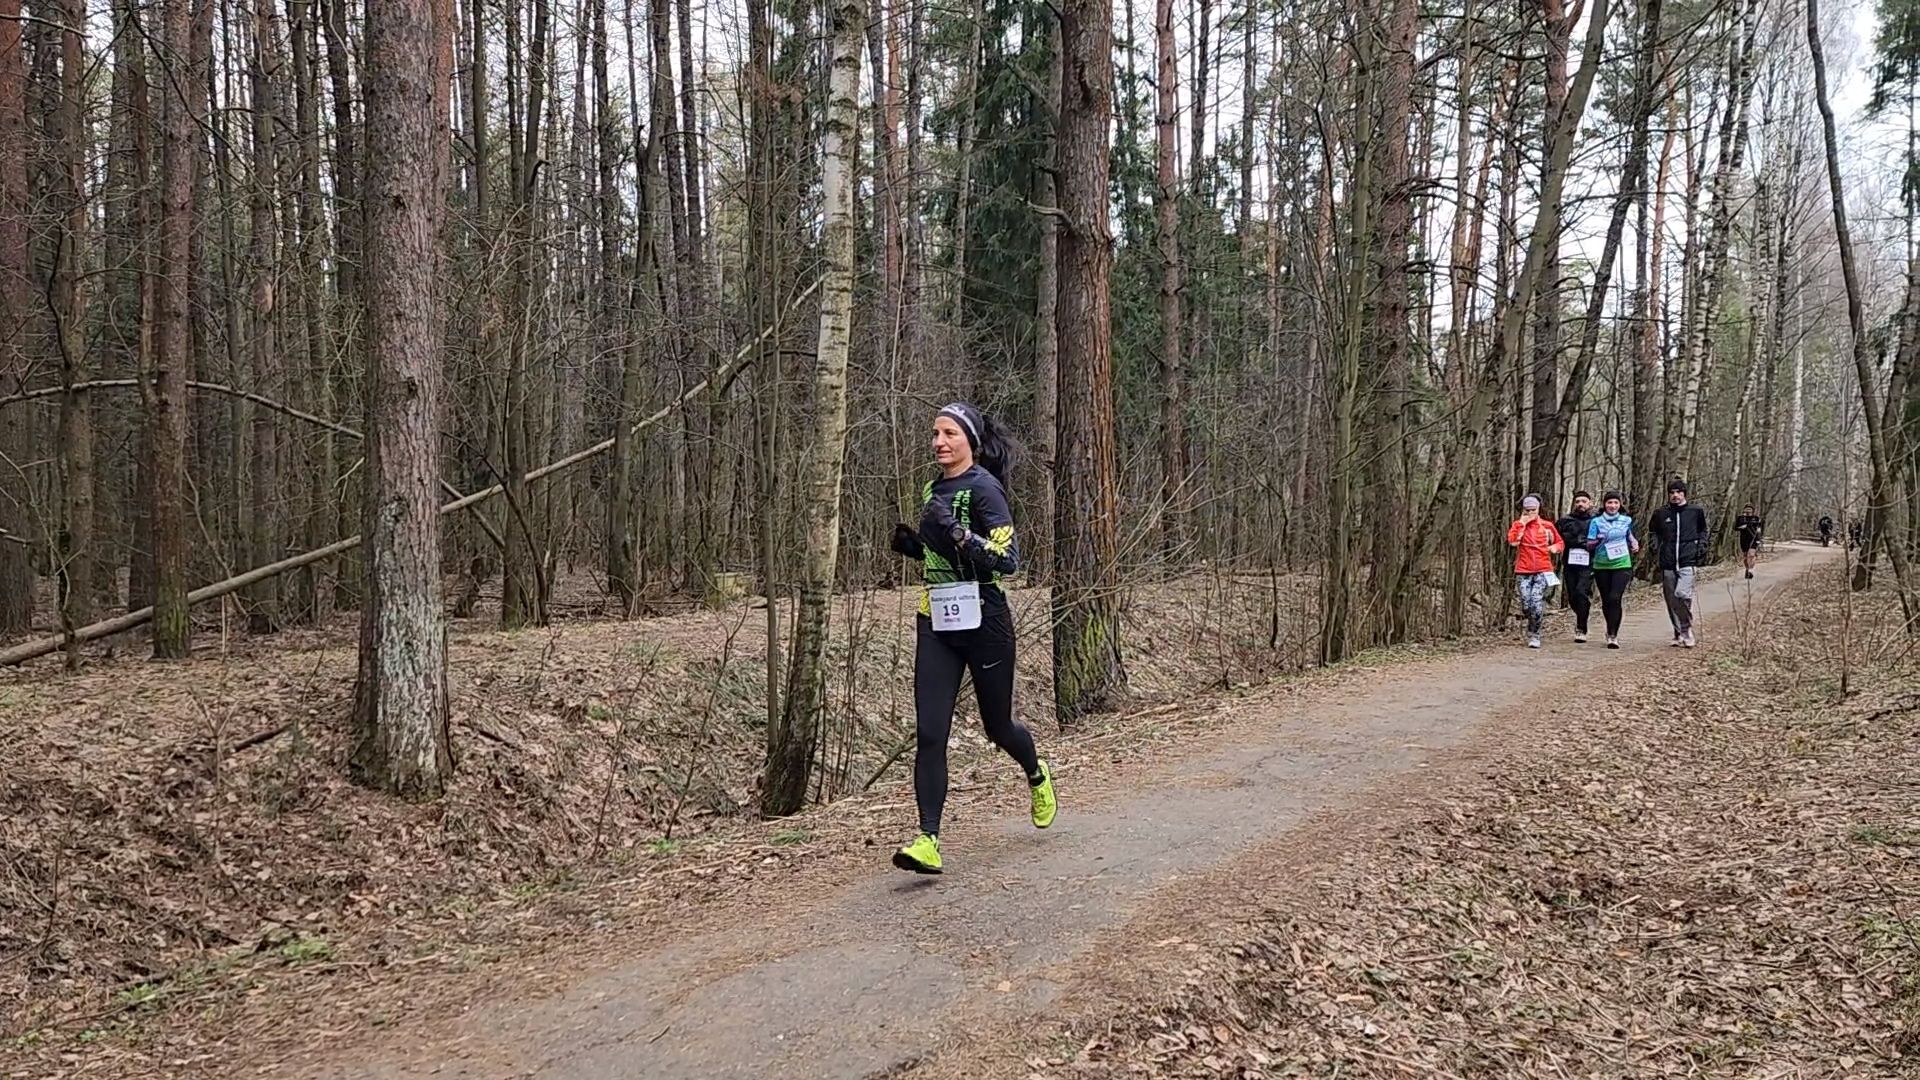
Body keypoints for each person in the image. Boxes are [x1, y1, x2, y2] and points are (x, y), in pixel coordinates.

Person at [887, 402, 1056, 874]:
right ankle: (928, 840)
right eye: (935, 433)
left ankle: (1036, 773)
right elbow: (942, 556)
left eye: (949, 434)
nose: (939, 442)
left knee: (997, 727)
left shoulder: (986, 489)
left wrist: (960, 534)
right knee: (929, 733)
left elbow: (1008, 560)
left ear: (970, 442)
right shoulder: (932, 488)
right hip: (937, 618)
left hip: (985, 620)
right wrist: (917, 548)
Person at [1649, 479, 1709, 648]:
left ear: (1684, 494)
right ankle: (1678, 633)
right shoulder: (1661, 513)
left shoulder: (1695, 511)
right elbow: (1653, 531)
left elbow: (1703, 530)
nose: (1675, 495)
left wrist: (1702, 546)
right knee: (1671, 599)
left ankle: (1686, 629)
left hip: (1687, 560)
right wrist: (1655, 546)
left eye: (1678, 492)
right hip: (1667, 561)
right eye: (1672, 492)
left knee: (1682, 594)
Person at [1507, 494, 1564, 649]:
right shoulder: (1518, 524)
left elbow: (1560, 542)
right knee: (1526, 602)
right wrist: (1521, 524)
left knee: (1536, 602)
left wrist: (1554, 548)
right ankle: (1530, 621)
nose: (1531, 512)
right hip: (1523, 570)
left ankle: (1534, 634)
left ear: (1539, 509)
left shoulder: (1547, 526)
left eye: (1534, 509)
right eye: (1527, 510)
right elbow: (1512, 542)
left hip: (1543, 569)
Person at [1585, 492, 1640, 649]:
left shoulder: (1626, 520)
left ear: (1620, 504)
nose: (1613, 506)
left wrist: (1634, 543)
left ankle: (1613, 634)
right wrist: (1598, 540)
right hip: (1601, 565)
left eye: (1616, 503)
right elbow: (1589, 545)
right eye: (1609, 503)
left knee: (1615, 597)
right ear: (1604, 504)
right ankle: (1610, 628)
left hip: (1622, 564)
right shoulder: (1596, 522)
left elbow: (1630, 536)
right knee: (1606, 600)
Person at [1555, 490, 1597, 642]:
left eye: (1584, 501)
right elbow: (1556, 539)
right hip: (1570, 563)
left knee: (1581, 592)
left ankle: (1581, 627)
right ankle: (1582, 612)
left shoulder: (1596, 520)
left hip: (1589, 564)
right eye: (1578, 501)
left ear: (1590, 503)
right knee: (1573, 596)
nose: (1580, 504)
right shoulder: (1565, 521)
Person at [1735, 504, 1764, 579]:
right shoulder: (1740, 518)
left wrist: (1759, 539)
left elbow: (1759, 530)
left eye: (1750, 509)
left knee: (1751, 555)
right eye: (1746, 509)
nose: (1748, 510)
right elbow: (1736, 528)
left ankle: (1751, 570)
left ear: (1752, 511)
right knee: (1745, 557)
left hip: (1753, 539)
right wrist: (1743, 527)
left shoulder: (1756, 518)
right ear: (1744, 510)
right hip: (1744, 539)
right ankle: (1747, 569)